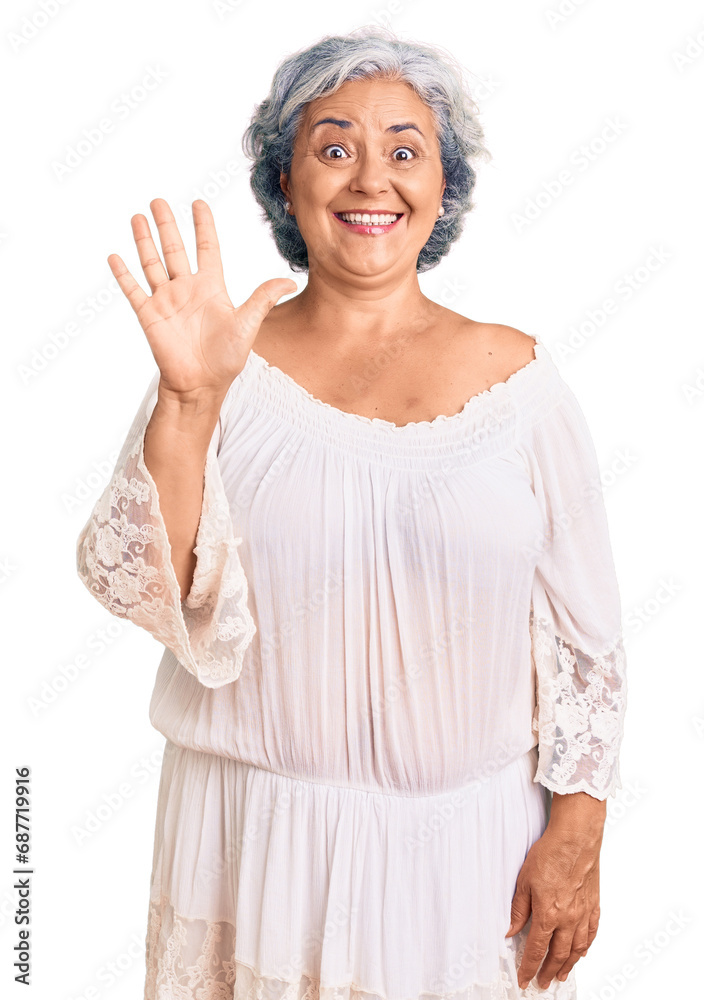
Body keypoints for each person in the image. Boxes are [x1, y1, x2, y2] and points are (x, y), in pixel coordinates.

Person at [75, 26, 627, 1000]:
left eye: (403, 151)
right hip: (253, 846)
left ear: (442, 186)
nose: (370, 179)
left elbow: (587, 642)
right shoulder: (217, 366)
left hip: (472, 857)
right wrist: (190, 404)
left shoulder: (522, 384)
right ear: (284, 186)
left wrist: (575, 833)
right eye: (333, 149)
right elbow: (149, 587)